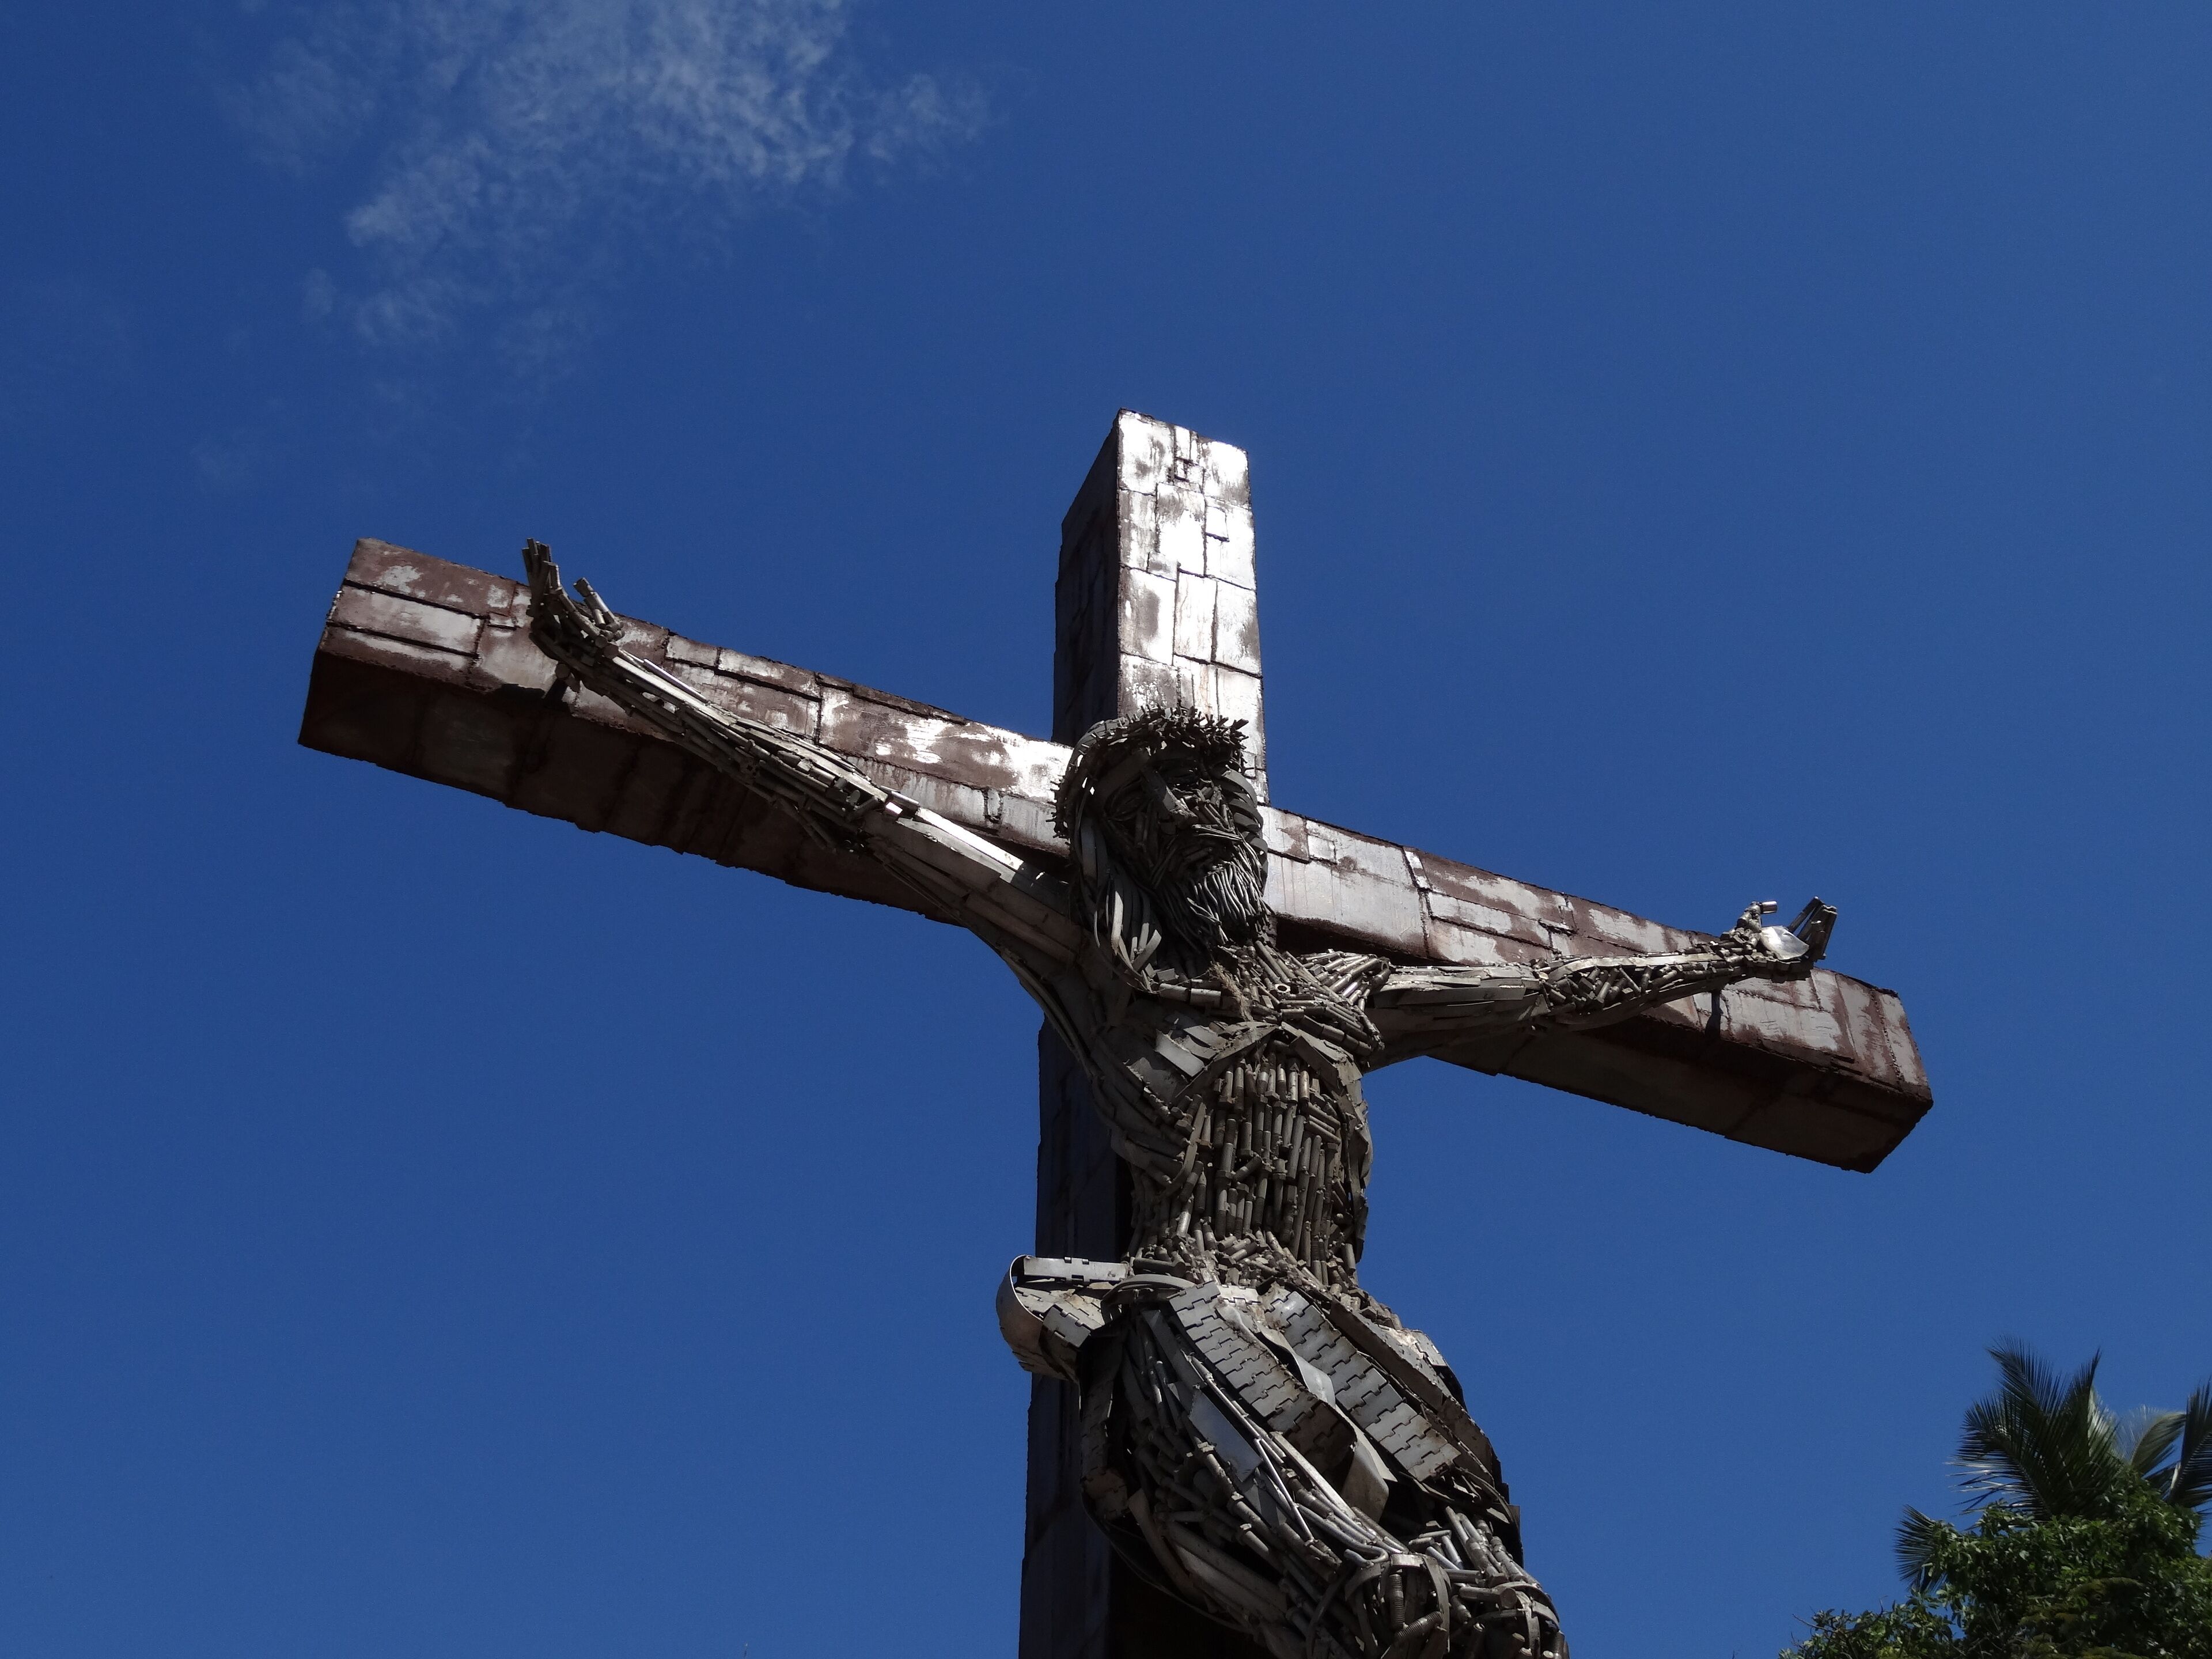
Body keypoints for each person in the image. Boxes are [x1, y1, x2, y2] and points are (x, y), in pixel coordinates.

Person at [521, 540, 1833, 1659]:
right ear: (1126, 840)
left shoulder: (1346, 997)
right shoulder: (1100, 972)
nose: (1212, 819)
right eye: (1173, 802)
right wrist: (625, 676)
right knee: (1264, 1457)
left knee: (1479, 1558)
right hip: (1198, 1302)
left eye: (1220, 795)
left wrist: (1729, 963)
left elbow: (1550, 993)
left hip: (1344, 1316)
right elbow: (867, 815)